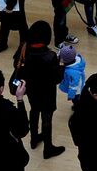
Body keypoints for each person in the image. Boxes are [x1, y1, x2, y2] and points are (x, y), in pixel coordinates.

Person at [16, 19, 66, 159]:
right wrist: (61, 64)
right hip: (47, 91)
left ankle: (33, 139)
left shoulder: (24, 49)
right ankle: (48, 148)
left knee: (34, 110)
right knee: (47, 116)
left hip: (31, 89)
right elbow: (57, 78)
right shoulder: (50, 56)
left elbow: (17, 65)